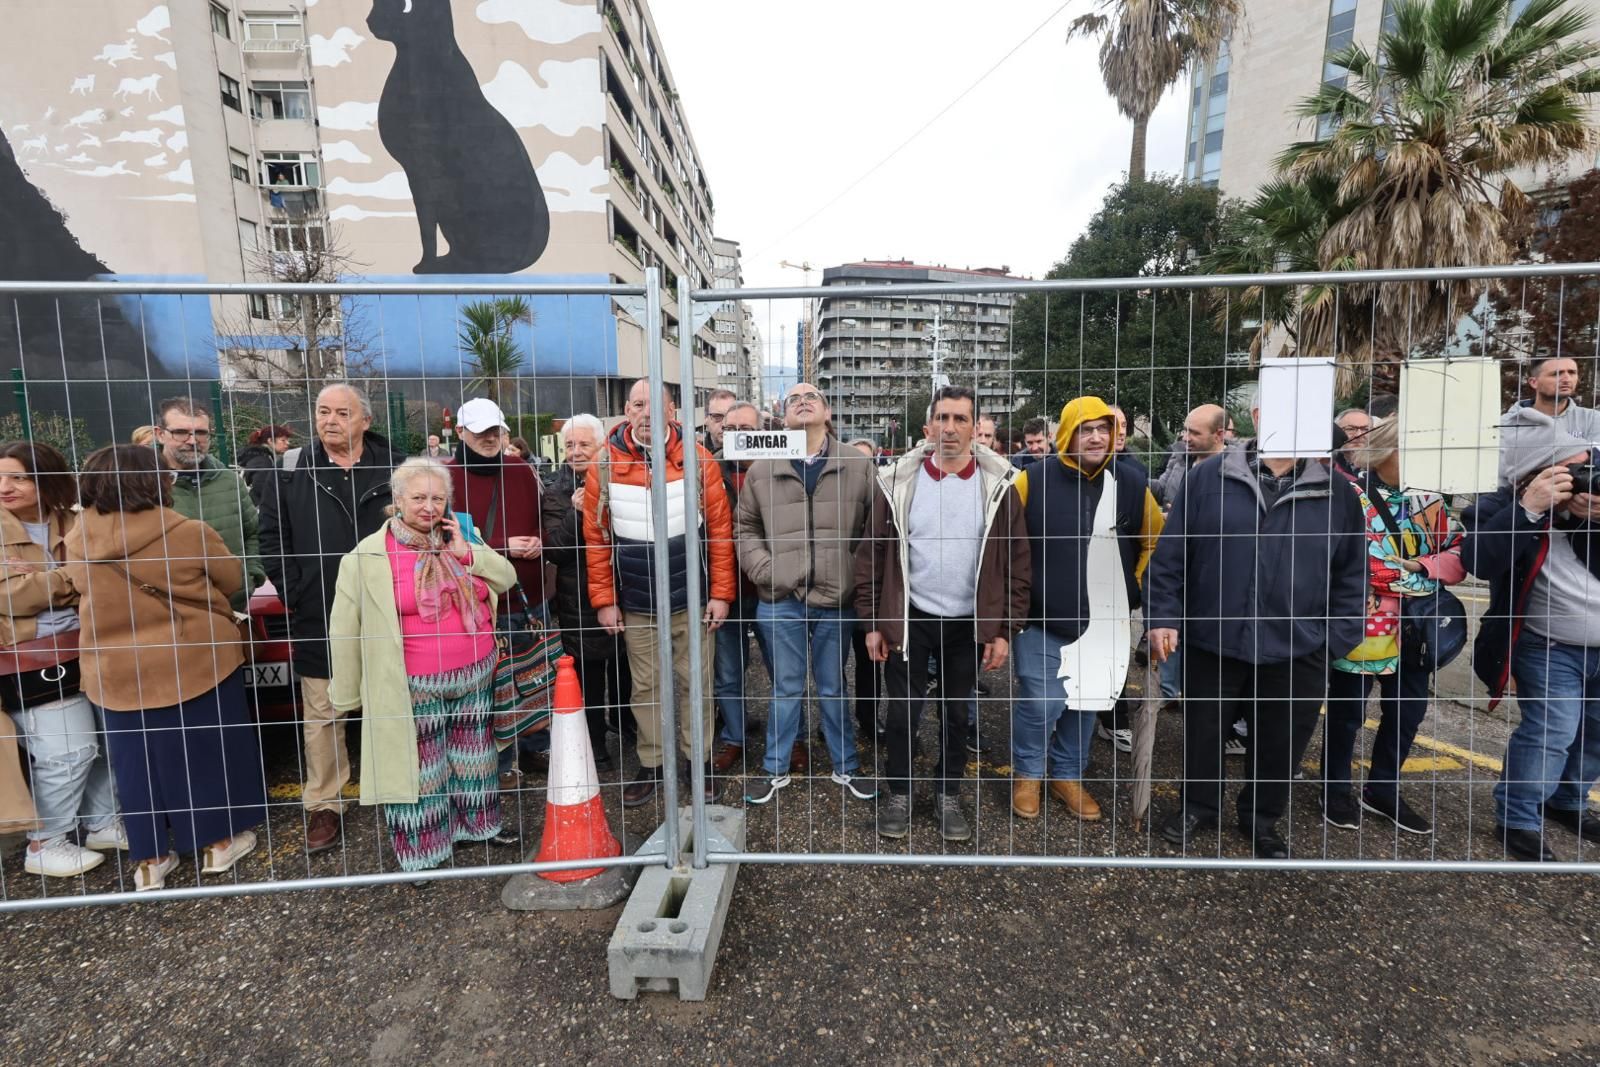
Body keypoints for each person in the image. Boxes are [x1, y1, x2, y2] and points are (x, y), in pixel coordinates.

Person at [1145, 402, 1367, 859]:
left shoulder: (1337, 493)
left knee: (1281, 743)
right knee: (1204, 734)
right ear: (1258, 412)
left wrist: (1333, 642)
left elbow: (1351, 575)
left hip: (1298, 648)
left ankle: (1261, 819)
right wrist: (1163, 616)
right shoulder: (1207, 478)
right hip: (1215, 639)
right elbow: (1170, 557)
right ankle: (1198, 807)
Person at [65, 445, 265, 891]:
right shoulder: (187, 531)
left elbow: (76, 586)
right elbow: (231, 581)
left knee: (135, 763)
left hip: (115, 669)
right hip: (195, 659)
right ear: (155, 481)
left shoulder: (78, 537)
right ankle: (218, 844)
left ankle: (151, 860)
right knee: (208, 753)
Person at [857, 385, 1030, 842]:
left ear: (975, 428)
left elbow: (1017, 563)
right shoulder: (897, 484)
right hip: (911, 618)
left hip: (967, 623)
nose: (950, 428)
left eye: (960, 419)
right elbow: (872, 557)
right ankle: (899, 790)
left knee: (956, 714)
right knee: (902, 715)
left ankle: (948, 791)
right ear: (929, 426)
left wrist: (1004, 629)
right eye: (943, 419)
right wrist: (874, 620)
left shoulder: (998, 487)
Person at [328, 458, 518, 872]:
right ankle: (423, 852)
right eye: (418, 497)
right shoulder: (366, 557)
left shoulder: (461, 537)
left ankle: (480, 828)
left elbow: (506, 577)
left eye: (437, 497)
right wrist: (345, 692)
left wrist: (467, 554)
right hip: (410, 682)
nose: (428, 507)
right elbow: (343, 628)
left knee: (476, 757)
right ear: (397, 500)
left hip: (474, 671)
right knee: (420, 769)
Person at [582, 380, 737, 807]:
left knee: (697, 683)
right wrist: (605, 601)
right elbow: (596, 540)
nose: (646, 413)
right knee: (645, 687)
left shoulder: (699, 461)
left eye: (656, 405)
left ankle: (698, 762)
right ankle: (652, 763)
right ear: (626, 410)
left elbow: (721, 534)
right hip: (635, 601)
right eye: (637, 404)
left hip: (692, 597)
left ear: (673, 411)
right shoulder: (604, 465)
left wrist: (721, 593)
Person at [258, 382, 397, 854]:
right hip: (318, 609)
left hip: (387, 608)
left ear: (365, 421)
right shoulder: (292, 469)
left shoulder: (395, 466)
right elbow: (271, 535)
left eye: (342, 412)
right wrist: (292, 591)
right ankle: (324, 804)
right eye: (323, 411)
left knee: (395, 702)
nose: (331, 420)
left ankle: (402, 791)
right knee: (322, 711)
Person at [1009, 397, 1163, 821]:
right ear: (1067, 434)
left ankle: (1067, 775)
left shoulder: (1131, 482)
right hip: (1040, 620)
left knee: (1085, 703)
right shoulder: (1031, 481)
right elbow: (1006, 545)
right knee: (1042, 703)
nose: (1096, 436)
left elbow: (1155, 540)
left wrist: (1135, 587)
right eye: (1085, 428)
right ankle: (1027, 774)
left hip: (1106, 623)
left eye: (1103, 428)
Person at [1463, 406, 1600, 862]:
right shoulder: (1501, 505)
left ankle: (1569, 802)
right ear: (1534, 474)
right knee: (1551, 732)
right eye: (1571, 470)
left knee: (1595, 733)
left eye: (1586, 466)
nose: (1582, 478)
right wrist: (1529, 510)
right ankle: (1519, 819)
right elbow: (1479, 560)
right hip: (1548, 645)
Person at [1322, 416, 1465, 835]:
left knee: (1407, 712)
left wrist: (1422, 565)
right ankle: (1334, 789)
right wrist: (1407, 575)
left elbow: (1457, 551)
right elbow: (1345, 556)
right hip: (1365, 622)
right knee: (1348, 711)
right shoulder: (1347, 494)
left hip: (1417, 627)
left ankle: (1383, 788)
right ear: (1384, 449)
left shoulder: (1431, 500)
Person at [738, 383, 877, 804]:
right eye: (792, 399)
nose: (802, 401)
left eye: (811, 396)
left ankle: (845, 766)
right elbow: (745, 529)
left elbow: (874, 531)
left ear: (827, 411)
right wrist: (767, 571)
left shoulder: (856, 464)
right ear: (782, 416)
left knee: (834, 685)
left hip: (837, 600)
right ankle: (774, 768)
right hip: (780, 599)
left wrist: (852, 572)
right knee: (785, 686)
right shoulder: (763, 469)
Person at [0, 442, 122, 877]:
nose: (5, 487)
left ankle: (101, 822)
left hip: (89, 646)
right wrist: (69, 580)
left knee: (107, 744)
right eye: (0, 477)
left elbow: (105, 576)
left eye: (18, 477)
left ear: (46, 479)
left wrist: (46, 581)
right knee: (66, 751)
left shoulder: (75, 520)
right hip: (27, 659)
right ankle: (45, 841)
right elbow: (9, 596)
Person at [444, 397, 552, 800]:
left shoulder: (522, 470)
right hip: (479, 600)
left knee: (533, 675)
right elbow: (444, 540)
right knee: (492, 686)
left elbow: (541, 516)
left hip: (529, 593)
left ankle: (536, 747)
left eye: (495, 430)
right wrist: (503, 546)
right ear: (460, 433)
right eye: (480, 431)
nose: (490, 438)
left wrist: (540, 541)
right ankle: (502, 764)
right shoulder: (446, 478)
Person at [544, 415, 632, 771]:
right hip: (577, 599)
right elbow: (555, 550)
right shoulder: (555, 492)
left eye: (584, 444)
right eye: (570, 445)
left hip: (623, 589)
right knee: (590, 678)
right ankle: (595, 743)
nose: (576, 452)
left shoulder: (621, 479)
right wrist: (576, 516)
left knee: (626, 668)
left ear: (601, 447)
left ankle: (626, 725)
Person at [709, 401, 777, 774]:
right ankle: (734, 738)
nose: (737, 436)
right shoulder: (708, 467)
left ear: (762, 431)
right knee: (728, 672)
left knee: (781, 670)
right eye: (730, 429)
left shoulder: (778, 466)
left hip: (770, 588)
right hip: (725, 590)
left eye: (746, 430)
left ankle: (792, 737)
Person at [156, 397, 265, 614]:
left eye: (201, 432)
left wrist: (251, 574)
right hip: (167, 611)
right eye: (181, 432)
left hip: (232, 608)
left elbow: (253, 532)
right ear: (160, 434)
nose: (192, 440)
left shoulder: (229, 480)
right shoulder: (140, 485)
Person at [1498, 355, 1600, 487]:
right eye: (1556, 374)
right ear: (1534, 382)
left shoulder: (1593, 418)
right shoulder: (1507, 423)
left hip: (1584, 501)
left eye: (1572, 372)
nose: (1566, 379)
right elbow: (1506, 471)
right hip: (1522, 502)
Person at [845, 438, 883, 740]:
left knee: (869, 661)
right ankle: (833, 721)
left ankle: (868, 718)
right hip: (839, 590)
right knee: (831, 666)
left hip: (868, 591)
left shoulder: (882, 495)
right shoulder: (838, 496)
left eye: (866, 461)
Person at [238, 424, 294, 505]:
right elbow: (263, 488)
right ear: (270, 440)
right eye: (283, 440)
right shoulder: (263, 461)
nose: (288, 443)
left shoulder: (259, 457)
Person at [1334, 407, 1371, 477]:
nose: (1359, 435)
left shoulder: (1382, 466)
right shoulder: (1328, 463)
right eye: (1350, 429)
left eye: (1366, 429)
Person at [702, 387, 738, 455]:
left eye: (730, 417)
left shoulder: (750, 456)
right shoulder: (694, 456)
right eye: (717, 416)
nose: (724, 424)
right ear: (706, 418)